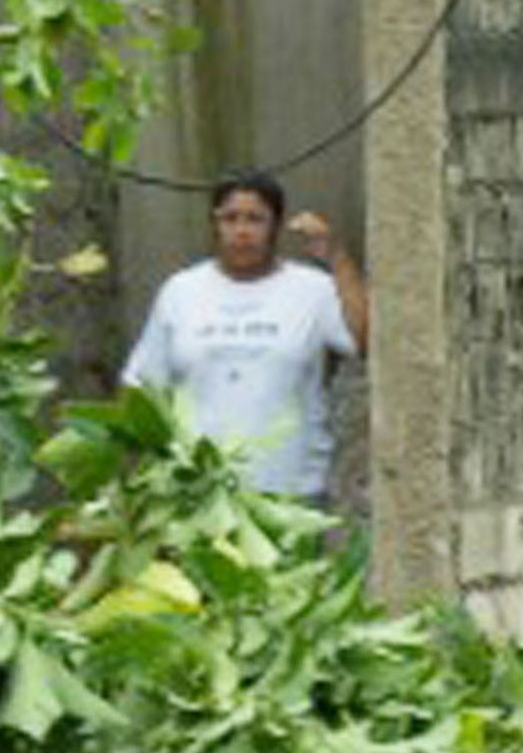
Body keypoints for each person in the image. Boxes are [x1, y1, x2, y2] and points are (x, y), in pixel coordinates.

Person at [122, 170, 370, 507]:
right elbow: (141, 386)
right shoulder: (181, 291)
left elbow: (363, 340)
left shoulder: (313, 289)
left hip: (291, 492)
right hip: (198, 491)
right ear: (214, 225)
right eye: (230, 219)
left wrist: (337, 257)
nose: (242, 231)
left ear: (275, 226)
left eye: (255, 219)